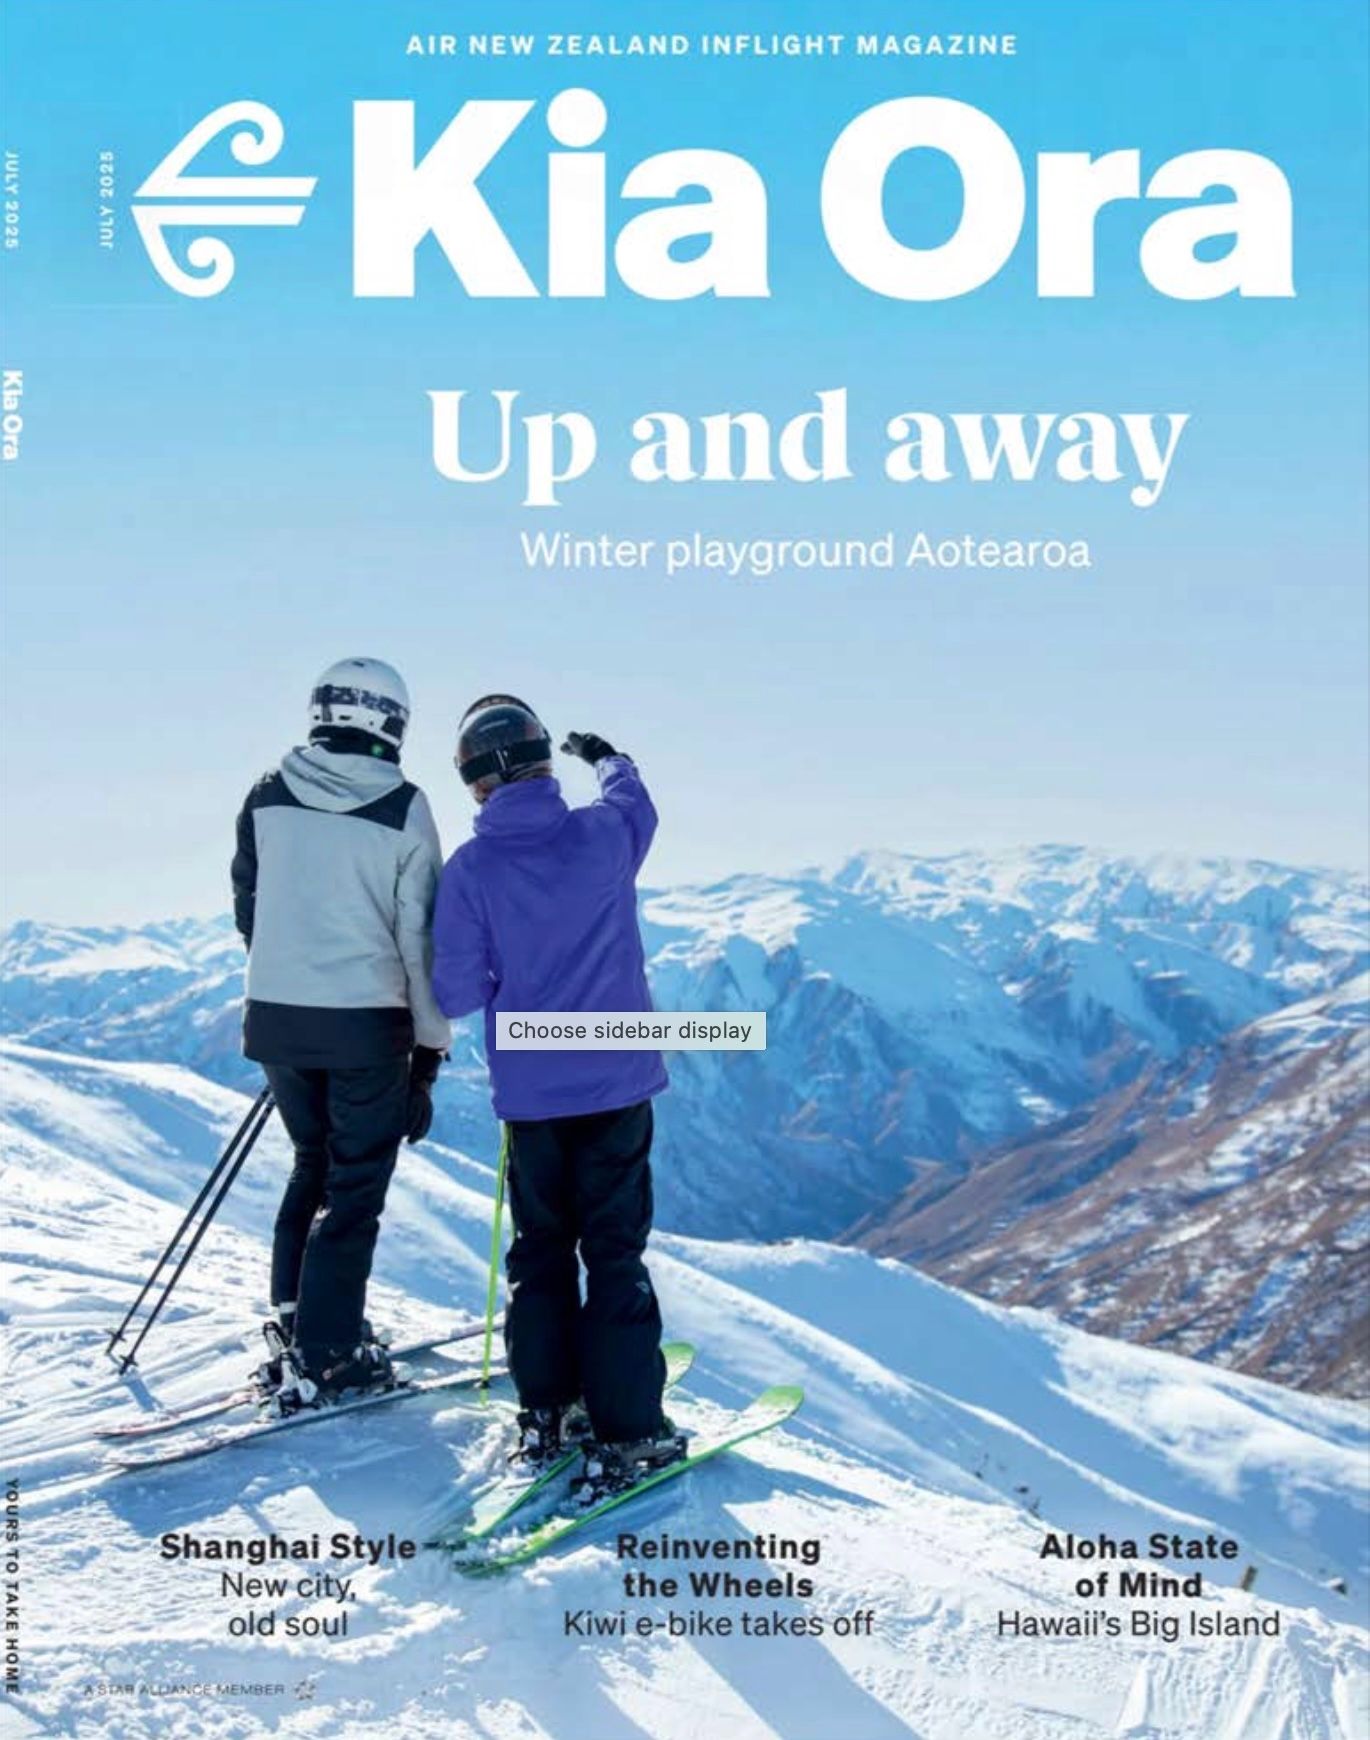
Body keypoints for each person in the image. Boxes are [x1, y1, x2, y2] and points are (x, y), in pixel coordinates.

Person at [430, 695, 681, 1493]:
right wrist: (607, 754)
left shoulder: (470, 873)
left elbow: (459, 992)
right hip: (617, 1081)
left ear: (473, 782)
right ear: (544, 758)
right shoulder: (605, 838)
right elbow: (632, 799)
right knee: (614, 1253)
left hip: (533, 1098)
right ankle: (630, 1430)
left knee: (541, 1255)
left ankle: (547, 1412)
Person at [231, 657, 451, 1404]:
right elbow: (421, 942)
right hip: (367, 1028)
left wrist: (288, 977)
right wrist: (429, 1055)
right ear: (393, 721)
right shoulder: (404, 807)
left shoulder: (266, 794)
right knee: (354, 1190)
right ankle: (330, 1355)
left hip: (277, 1018)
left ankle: (298, 1321)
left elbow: (250, 907)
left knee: (310, 1164)